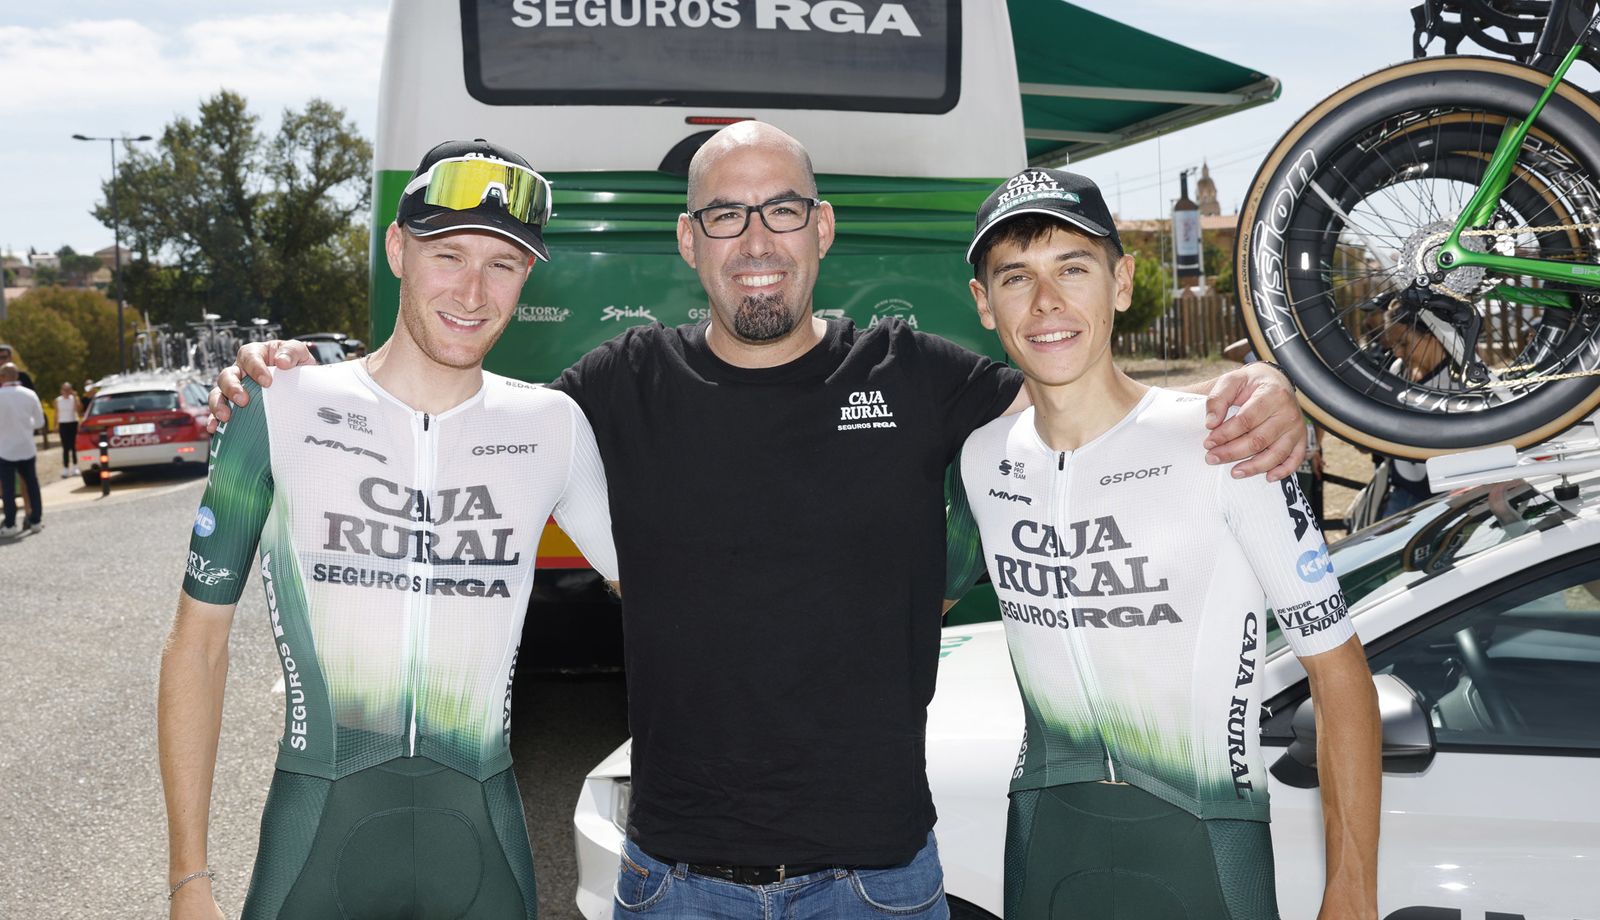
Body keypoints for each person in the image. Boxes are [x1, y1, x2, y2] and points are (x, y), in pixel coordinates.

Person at [210, 122, 1307, 920]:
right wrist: (281, 377)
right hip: (673, 884)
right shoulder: (614, 384)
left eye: (781, 207)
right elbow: (444, 392)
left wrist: (1265, 388)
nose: (756, 238)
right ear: (690, 242)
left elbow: (1094, 394)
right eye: (726, 214)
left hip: (881, 883)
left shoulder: (920, 376)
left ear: (820, 227)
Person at [158, 139, 619, 920]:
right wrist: (188, 882)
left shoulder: (553, 428)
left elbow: (673, 605)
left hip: (481, 848)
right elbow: (195, 647)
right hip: (315, 843)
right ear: (398, 249)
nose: (473, 291)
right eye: (449, 255)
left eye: (502, 265)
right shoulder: (281, 404)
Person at [945, 169, 1380, 920]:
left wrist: (1352, 891)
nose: (1047, 303)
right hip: (1047, 845)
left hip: (1205, 846)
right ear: (985, 304)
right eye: (1016, 277)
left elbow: (1339, 673)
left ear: (1122, 281)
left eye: (1073, 269)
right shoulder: (981, 459)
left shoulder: (1225, 441)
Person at [0, 362, 45, 537]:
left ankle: (10, 523)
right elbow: (40, 422)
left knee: (8, 489)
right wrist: (26, 425)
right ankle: (36, 520)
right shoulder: (29, 394)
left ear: (2, 377)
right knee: (32, 484)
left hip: (5, 449)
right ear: (17, 376)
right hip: (26, 446)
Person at [54, 382, 81, 477]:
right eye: (64, 390)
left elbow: (78, 410)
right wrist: (55, 425)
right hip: (63, 424)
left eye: (68, 390)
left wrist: (75, 398)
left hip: (73, 423)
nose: (66, 392)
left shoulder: (73, 399)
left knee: (74, 446)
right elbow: (56, 413)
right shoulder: (58, 400)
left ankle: (76, 467)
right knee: (65, 447)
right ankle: (65, 468)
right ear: (61, 390)